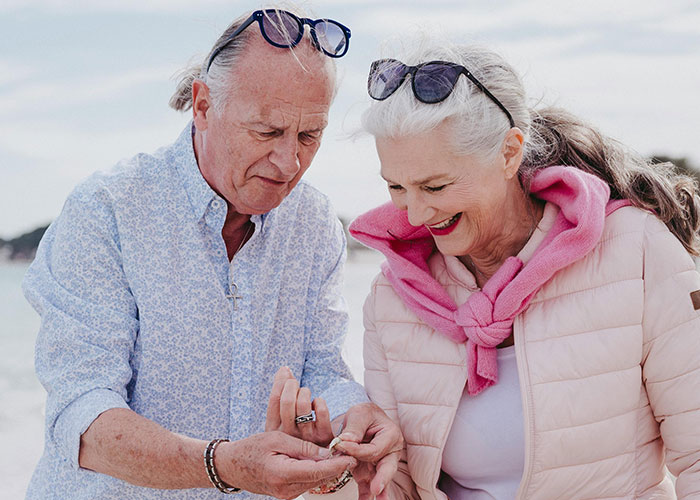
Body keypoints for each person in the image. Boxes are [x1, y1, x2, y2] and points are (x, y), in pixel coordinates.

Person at [22, 6, 400, 500]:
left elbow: (322, 368)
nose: (289, 162)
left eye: (309, 136)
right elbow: (83, 419)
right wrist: (223, 465)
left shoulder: (315, 224)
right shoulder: (107, 210)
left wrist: (357, 417)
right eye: (267, 131)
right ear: (202, 105)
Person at [348, 34, 700, 500]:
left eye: (435, 187)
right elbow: (401, 486)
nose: (414, 214)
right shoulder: (393, 296)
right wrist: (340, 476)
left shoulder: (636, 250)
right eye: (396, 187)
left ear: (509, 152)